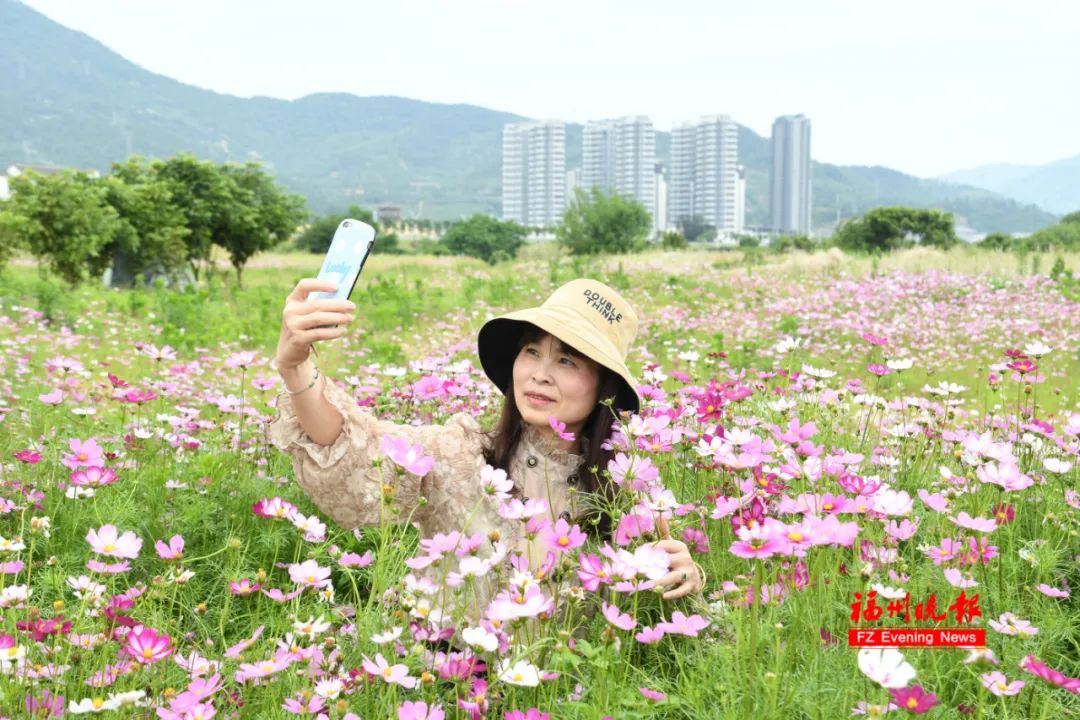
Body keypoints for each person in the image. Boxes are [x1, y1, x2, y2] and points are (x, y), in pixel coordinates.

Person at [268, 277, 704, 624]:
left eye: (567, 360)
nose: (539, 374)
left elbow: (655, 613)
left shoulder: (626, 489)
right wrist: (295, 367)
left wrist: (689, 578)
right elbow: (354, 449)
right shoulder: (461, 455)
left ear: (605, 386)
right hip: (449, 680)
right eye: (532, 351)